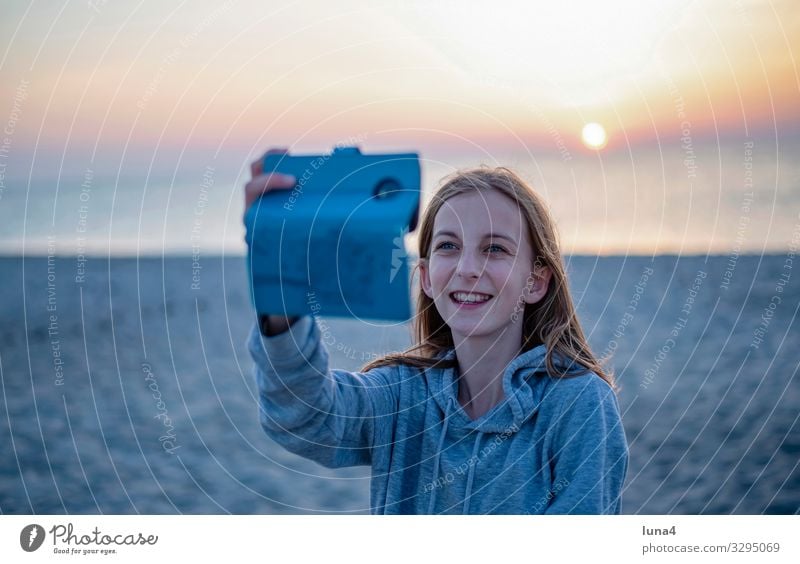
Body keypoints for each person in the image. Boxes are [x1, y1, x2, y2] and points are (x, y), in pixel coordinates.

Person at [245, 149, 629, 514]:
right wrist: (283, 292)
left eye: (495, 249)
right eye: (449, 246)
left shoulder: (578, 404)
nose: (467, 268)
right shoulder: (401, 396)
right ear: (426, 277)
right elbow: (307, 419)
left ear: (536, 281)